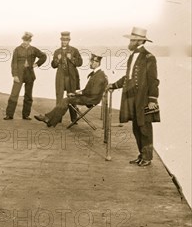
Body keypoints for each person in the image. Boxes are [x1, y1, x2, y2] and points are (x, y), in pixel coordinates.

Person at [109, 27, 160, 167]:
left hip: (143, 98)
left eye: (131, 40)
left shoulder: (149, 57)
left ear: (138, 41)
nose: (129, 43)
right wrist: (113, 85)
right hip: (131, 97)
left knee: (145, 128)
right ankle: (141, 154)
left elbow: (153, 80)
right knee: (136, 127)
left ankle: (147, 158)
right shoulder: (132, 56)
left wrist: (152, 100)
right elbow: (128, 77)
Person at [35, 53, 107, 127]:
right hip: (89, 97)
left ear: (97, 63)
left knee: (66, 100)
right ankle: (50, 120)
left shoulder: (99, 76)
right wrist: (76, 93)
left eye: (91, 62)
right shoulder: (98, 73)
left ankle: (48, 118)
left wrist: (77, 94)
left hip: (91, 99)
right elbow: (89, 90)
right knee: (68, 98)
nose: (90, 63)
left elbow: (94, 92)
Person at [4, 32, 47, 120]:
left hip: (29, 75)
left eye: (27, 41)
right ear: (22, 40)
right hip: (19, 75)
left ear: (30, 41)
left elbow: (43, 56)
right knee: (14, 94)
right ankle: (9, 115)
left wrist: (36, 64)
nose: (25, 42)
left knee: (28, 95)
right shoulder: (17, 49)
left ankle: (26, 115)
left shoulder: (34, 49)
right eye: (24, 40)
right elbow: (14, 63)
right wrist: (14, 75)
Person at [50, 31, 83, 124]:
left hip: (71, 77)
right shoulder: (57, 51)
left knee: (72, 97)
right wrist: (57, 60)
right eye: (63, 40)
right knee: (59, 97)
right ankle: (58, 118)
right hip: (60, 77)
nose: (64, 41)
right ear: (61, 40)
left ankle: (74, 118)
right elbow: (53, 65)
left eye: (66, 40)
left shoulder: (74, 50)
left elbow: (80, 63)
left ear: (69, 40)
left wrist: (71, 58)